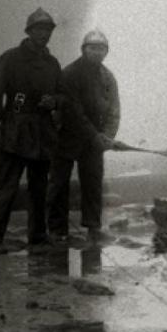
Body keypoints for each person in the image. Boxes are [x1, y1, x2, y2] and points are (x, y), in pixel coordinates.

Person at [0, 8, 63, 254]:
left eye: (48, 30)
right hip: (15, 130)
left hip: (43, 132)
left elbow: (62, 94)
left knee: (39, 187)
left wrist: (54, 101)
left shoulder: (52, 63)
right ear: (29, 31)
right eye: (39, 29)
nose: (44, 34)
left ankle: (38, 237)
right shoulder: (10, 58)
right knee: (6, 185)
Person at [48, 29, 120, 247]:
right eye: (92, 48)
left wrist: (107, 136)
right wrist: (95, 136)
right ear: (83, 49)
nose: (97, 52)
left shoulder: (108, 77)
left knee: (93, 183)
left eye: (101, 48)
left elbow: (114, 110)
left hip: (95, 140)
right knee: (59, 183)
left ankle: (93, 228)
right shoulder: (70, 73)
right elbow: (73, 111)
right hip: (67, 135)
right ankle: (57, 230)